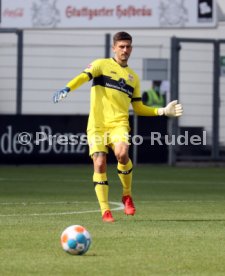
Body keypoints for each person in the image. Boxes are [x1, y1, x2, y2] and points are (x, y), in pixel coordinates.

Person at [53, 31, 183, 223]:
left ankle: (126, 195)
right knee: (99, 163)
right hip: (97, 125)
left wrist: (162, 111)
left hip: (119, 124)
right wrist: (67, 88)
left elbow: (138, 107)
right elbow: (83, 77)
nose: (125, 50)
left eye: (128, 46)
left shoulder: (133, 78)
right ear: (114, 47)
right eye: (121, 46)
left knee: (122, 154)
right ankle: (105, 210)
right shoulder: (101, 65)